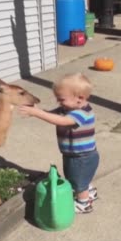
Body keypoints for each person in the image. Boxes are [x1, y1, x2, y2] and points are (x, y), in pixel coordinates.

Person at [18, 72, 99, 213]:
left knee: (77, 181)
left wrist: (37, 114)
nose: (59, 103)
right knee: (79, 177)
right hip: (75, 154)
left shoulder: (82, 113)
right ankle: (90, 191)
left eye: (61, 100)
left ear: (80, 98)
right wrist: (39, 110)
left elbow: (62, 121)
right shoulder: (69, 108)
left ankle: (84, 203)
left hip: (82, 157)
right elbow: (54, 114)